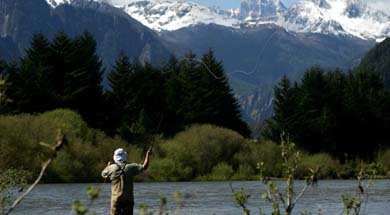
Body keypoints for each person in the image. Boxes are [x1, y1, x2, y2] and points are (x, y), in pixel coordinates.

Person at [102, 146, 152, 215]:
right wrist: (147, 154)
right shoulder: (131, 167)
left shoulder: (111, 168)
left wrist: (108, 166)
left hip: (116, 199)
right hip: (128, 199)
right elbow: (144, 167)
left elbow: (103, 174)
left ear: (115, 158)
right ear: (125, 157)